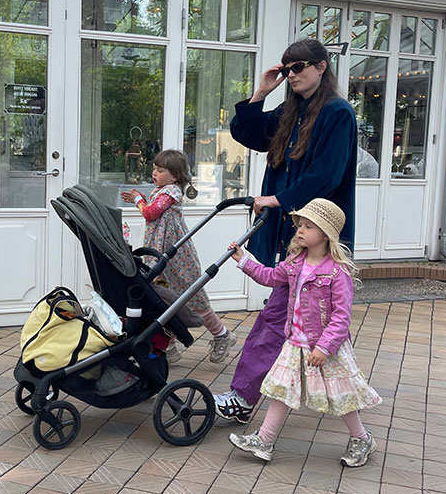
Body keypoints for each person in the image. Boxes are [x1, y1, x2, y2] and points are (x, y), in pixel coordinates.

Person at [213, 37, 357, 423]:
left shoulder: (337, 114)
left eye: (299, 68)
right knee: (301, 322)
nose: (291, 75)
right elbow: (247, 132)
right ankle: (337, 397)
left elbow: (326, 175)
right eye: (287, 68)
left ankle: (246, 399)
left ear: (322, 66)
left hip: (316, 236)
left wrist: (278, 199)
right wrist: (261, 91)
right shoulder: (290, 112)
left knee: (282, 321)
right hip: (294, 236)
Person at [227, 199, 381, 468]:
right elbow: (270, 277)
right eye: (300, 225)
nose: (300, 230)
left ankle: (362, 438)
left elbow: (341, 316)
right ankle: (264, 440)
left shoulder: (337, 271)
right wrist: (244, 261)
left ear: (325, 234)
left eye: (308, 227)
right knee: (280, 390)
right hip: (294, 342)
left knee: (341, 394)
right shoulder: (295, 263)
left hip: (324, 347)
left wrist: (324, 347)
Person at [122, 149, 236, 364]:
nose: (154, 173)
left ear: (175, 176)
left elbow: (150, 213)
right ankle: (168, 346)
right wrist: (143, 198)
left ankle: (222, 335)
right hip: (160, 251)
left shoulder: (172, 191)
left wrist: (139, 200)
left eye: (160, 170)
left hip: (176, 255)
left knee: (191, 295)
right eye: (154, 168)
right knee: (162, 296)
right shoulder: (161, 190)